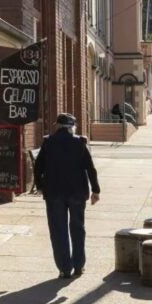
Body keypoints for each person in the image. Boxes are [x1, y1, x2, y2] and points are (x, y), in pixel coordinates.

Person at [34, 113, 101, 279]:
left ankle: (65, 268)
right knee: (78, 228)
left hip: (54, 193)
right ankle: (78, 266)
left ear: (57, 126)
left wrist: (41, 186)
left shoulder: (48, 142)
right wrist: (96, 190)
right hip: (77, 193)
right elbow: (90, 168)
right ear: (72, 127)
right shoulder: (79, 143)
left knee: (58, 230)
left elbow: (38, 167)